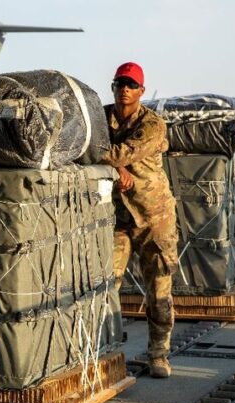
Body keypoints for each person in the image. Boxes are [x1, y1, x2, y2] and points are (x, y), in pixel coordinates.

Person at [98, 62, 178, 378]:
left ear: (141, 91)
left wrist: (116, 163)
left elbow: (120, 153)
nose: (125, 90)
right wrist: (118, 170)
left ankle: (159, 355)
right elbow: (83, 145)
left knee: (158, 290)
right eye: (120, 84)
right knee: (106, 283)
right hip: (117, 217)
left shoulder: (153, 124)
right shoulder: (102, 117)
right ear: (113, 87)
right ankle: (102, 352)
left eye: (131, 85)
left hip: (153, 217)